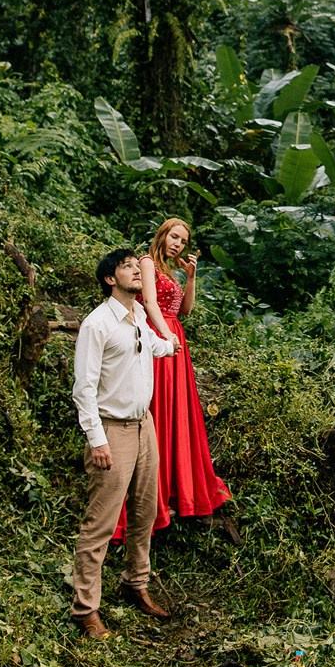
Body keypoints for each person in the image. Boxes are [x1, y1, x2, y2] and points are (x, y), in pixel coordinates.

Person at [68, 247, 177, 639]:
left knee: (145, 512)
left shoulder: (140, 318)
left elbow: (155, 347)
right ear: (110, 279)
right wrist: (97, 441)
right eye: (127, 267)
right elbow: (83, 388)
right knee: (99, 524)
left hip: (143, 425)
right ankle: (85, 610)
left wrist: (170, 340)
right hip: (112, 429)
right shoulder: (97, 324)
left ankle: (135, 584)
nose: (136, 270)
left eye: (137, 265)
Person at [112, 217, 235, 542]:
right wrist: (165, 338)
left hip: (175, 341)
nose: (178, 244)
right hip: (157, 338)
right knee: (157, 413)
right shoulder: (148, 262)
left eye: (183, 241)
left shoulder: (172, 271)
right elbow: (149, 303)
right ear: (163, 235)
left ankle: (174, 494)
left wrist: (191, 278)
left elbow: (186, 311)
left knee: (177, 417)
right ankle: (147, 503)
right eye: (174, 237)